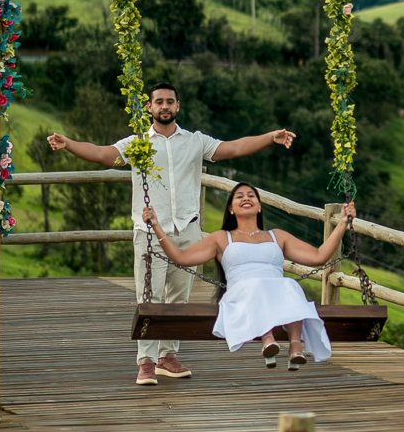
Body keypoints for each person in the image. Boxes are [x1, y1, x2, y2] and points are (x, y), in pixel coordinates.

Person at [46, 82, 296, 386]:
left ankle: (168, 356)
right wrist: (69, 143)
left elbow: (233, 147)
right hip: (150, 232)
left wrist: (270, 137)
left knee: (180, 297)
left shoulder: (195, 142)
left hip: (188, 231)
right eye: (159, 102)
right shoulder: (137, 144)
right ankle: (147, 362)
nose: (165, 106)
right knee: (149, 297)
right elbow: (102, 154)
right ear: (150, 108)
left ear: (178, 107)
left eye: (170, 101)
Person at [143, 182, 356, 371]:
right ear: (231, 209)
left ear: (260, 206)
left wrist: (344, 222)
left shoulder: (277, 236)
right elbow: (181, 257)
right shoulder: (222, 238)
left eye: (251, 195)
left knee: (290, 284)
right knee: (257, 286)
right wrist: (155, 225)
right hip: (241, 293)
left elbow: (319, 256)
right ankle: (267, 338)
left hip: (276, 293)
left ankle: (295, 345)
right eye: (239, 196)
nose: (246, 198)